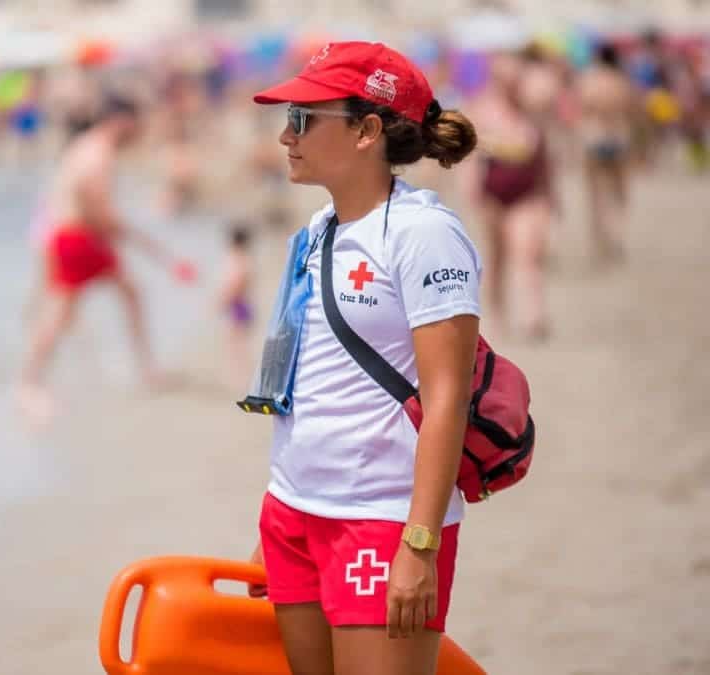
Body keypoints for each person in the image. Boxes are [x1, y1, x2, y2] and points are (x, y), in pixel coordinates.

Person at [246, 41, 481, 675]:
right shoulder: (317, 230)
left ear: (366, 130)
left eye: (302, 118)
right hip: (295, 512)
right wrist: (276, 515)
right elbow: (305, 380)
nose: (284, 135)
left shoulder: (424, 234)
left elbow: (447, 398)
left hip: (381, 517)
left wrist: (421, 545)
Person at [20, 95, 196, 421]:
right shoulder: (99, 155)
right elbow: (102, 215)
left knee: (127, 294)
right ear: (121, 121)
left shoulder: (85, 146)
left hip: (73, 236)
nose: (140, 130)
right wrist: (159, 252)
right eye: (136, 123)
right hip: (78, 239)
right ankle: (30, 384)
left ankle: (145, 370)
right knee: (62, 315)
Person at [465, 49, 555, 340]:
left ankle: (534, 314)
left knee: (528, 253)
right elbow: (472, 154)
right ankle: (497, 316)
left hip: (528, 193)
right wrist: (472, 187)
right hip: (494, 192)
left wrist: (551, 193)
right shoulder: (482, 108)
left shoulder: (534, 107)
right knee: (497, 257)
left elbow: (544, 154)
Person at [577, 44, 638, 263]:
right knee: (619, 194)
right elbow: (632, 111)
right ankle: (617, 234)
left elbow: (583, 109)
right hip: (618, 138)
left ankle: (600, 241)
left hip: (594, 138)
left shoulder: (590, 81)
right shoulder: (621, 81)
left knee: (596, 195)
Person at [219, 222, 255, 389]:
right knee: (238, 342)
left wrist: (222, 301)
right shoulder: (246, 259)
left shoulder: (238, 260)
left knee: (237, 344)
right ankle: (242, 376)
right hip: (243, 304)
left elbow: (236, 283)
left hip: (238, 305)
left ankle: (242, 378)